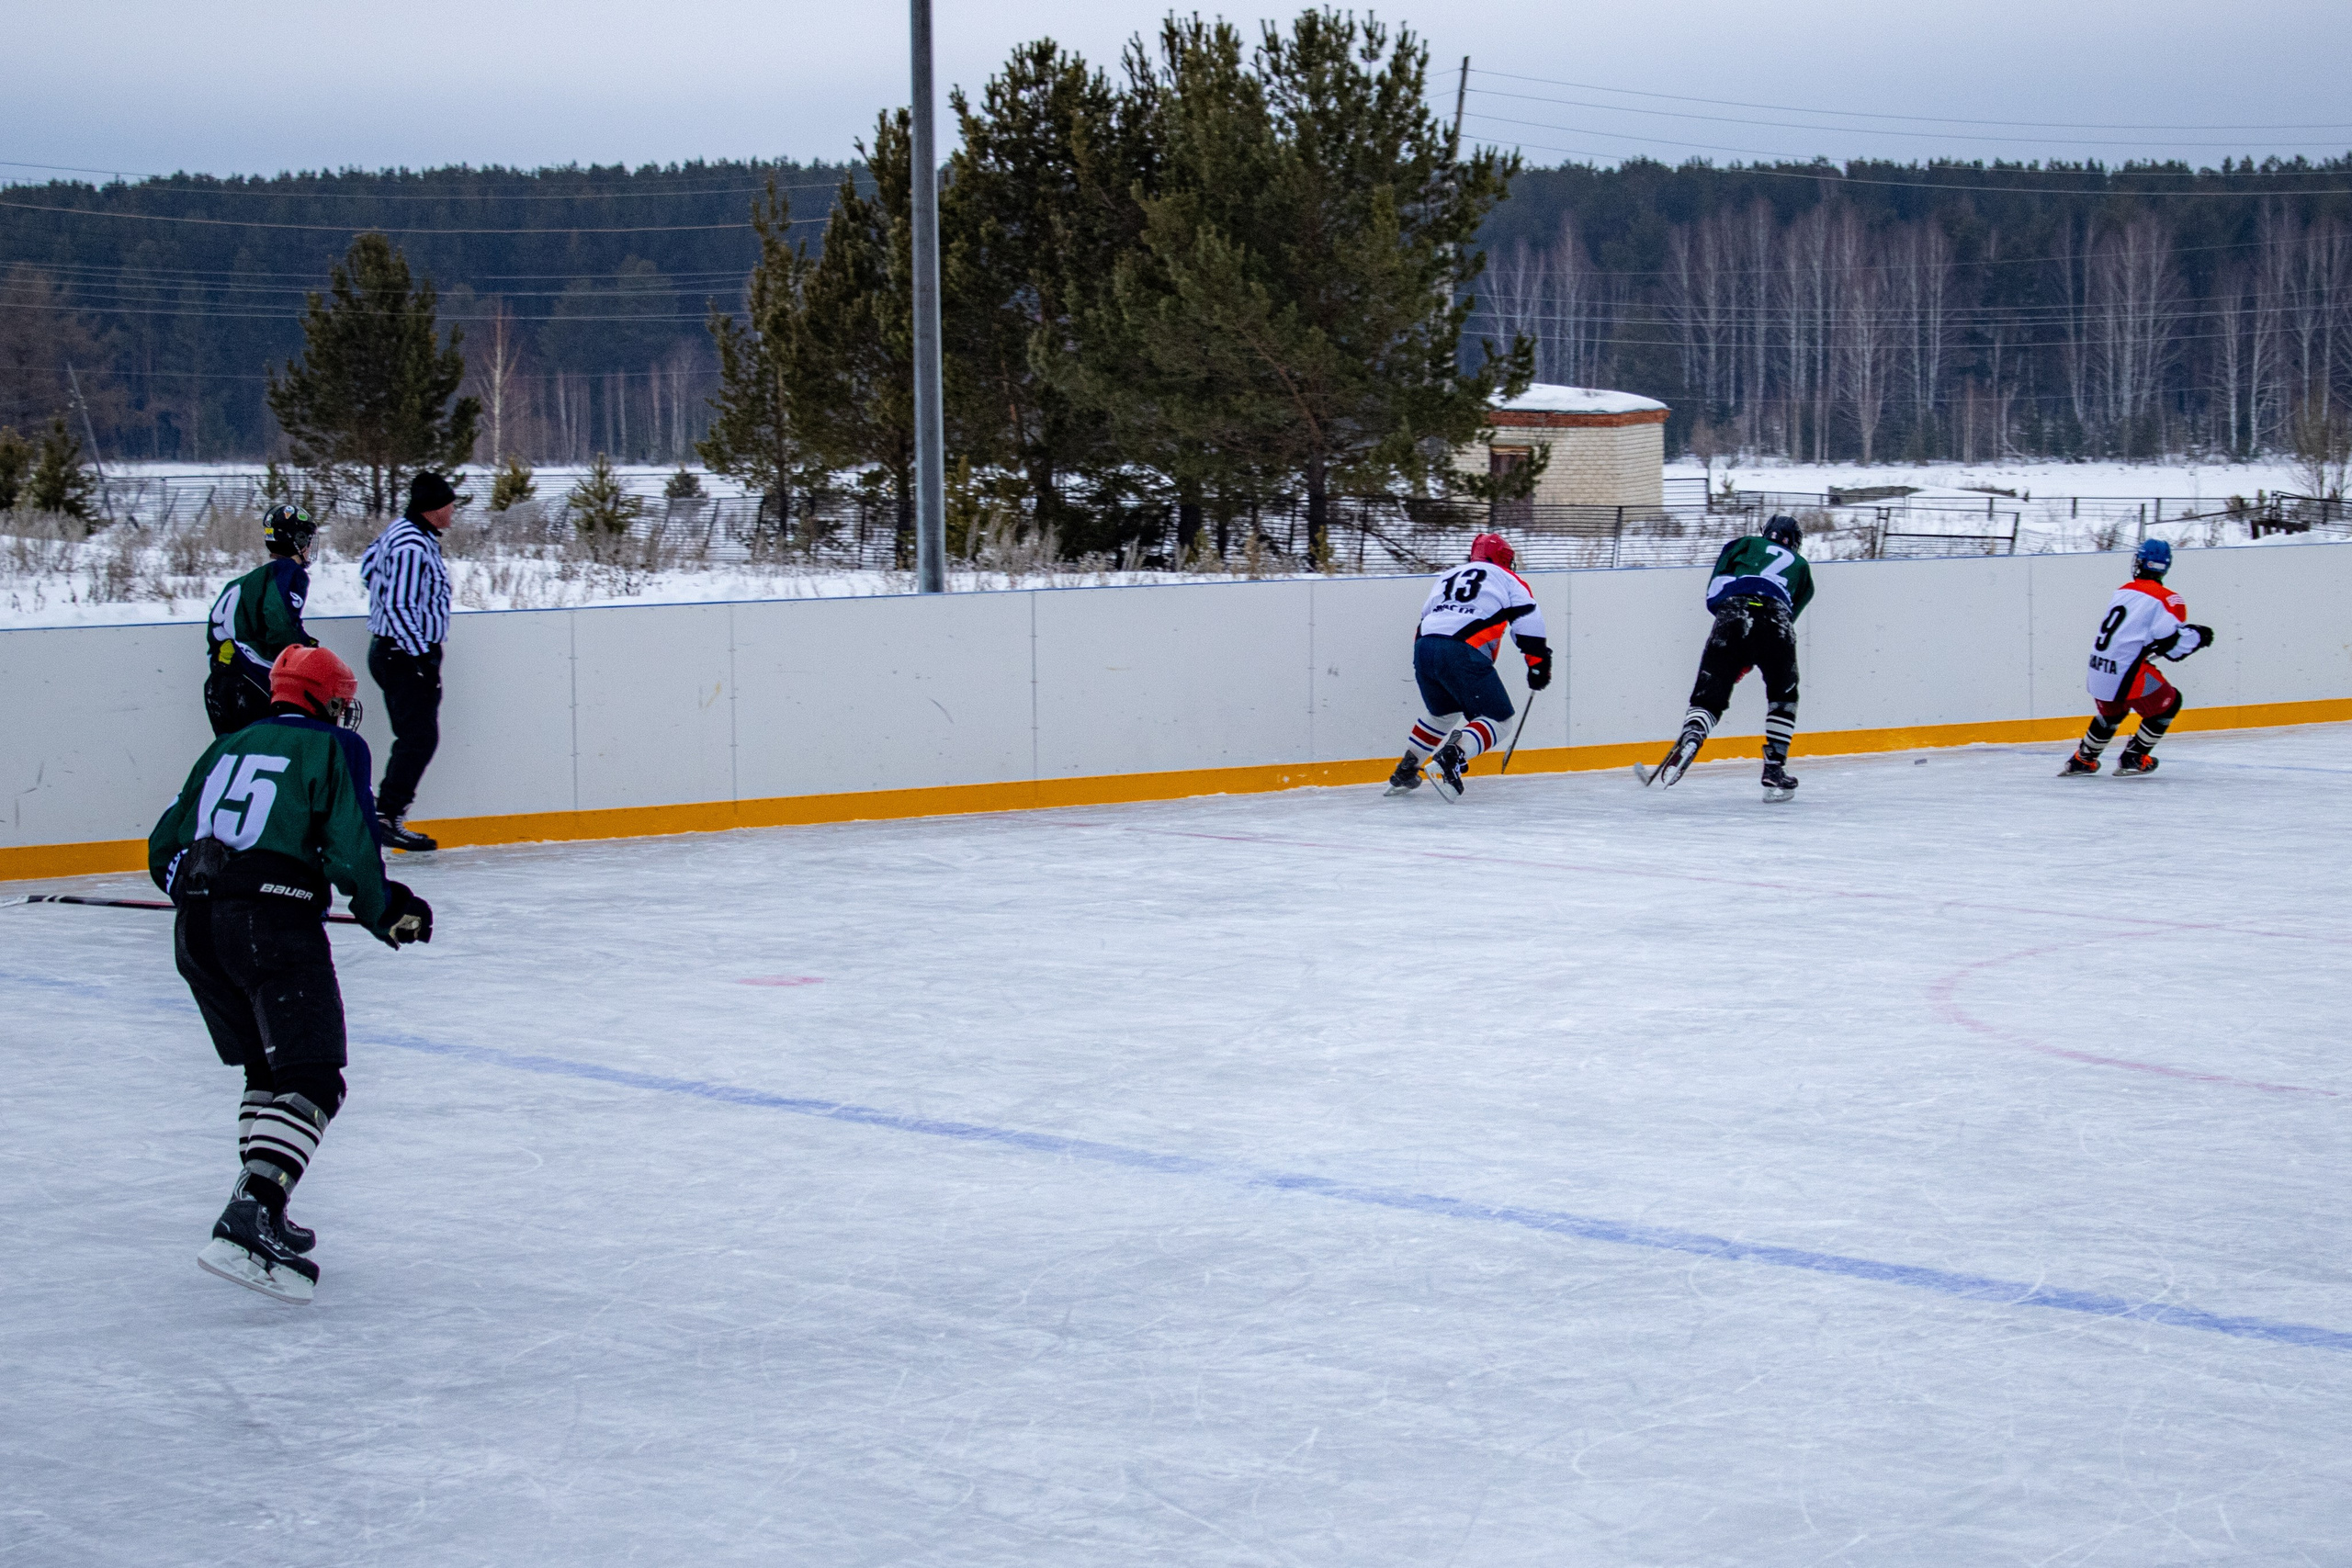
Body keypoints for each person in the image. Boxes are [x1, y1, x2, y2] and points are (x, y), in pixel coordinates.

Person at [150, 645, 433, 1303]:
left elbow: (165, 846)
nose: (342, 710)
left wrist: (197, 887)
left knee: (268, 1073)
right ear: (322, 699)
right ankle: (252, 1210)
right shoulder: (335, 747)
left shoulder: (225, 746)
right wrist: (386, 909)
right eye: (339, 700)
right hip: (271, 929)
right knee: (312, 1076)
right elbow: (353, 847)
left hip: (196, 930)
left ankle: (263, 1205)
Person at [1639, 514, 1815, 802]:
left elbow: (1714, 593)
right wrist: (1755, 650)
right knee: (1784, 696)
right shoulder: (1802, 567)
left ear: (1765, 533)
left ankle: (1694, 733)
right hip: (1777, 620)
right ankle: (1774, 767)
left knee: (1710, 694)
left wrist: (1732, 647)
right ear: (1794, 544)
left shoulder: (1743, 544)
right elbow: (1789, 616)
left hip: (1734, 612)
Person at [1385, 532, 1553, 803]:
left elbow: (1427, 615)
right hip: (1463, 649)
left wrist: (1427, 657)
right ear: (1504, 560)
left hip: (1425, 646)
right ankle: (1454, 755)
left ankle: (1406, 769)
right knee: (1498, 719)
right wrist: (1538, 665)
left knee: (1442, 712)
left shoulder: (1448, 576)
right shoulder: (1510, 580)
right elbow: (1528, 622)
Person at [360, 471, 458, 852]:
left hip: (396, 650)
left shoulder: (401, 532)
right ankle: (387, 815)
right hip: (404, 653)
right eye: (449, 503)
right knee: (418, 737)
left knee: (416, 736)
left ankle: (388, 813)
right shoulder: (411, 547)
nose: (453, 510)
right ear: (433, 509)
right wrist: (421, 658)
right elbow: (400, 606)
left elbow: (369, 568)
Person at [2062, 538, 2213, 777]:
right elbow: (2171, 647)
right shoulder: (2169, 599)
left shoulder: (2123, 591)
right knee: (2169, 704)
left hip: (2099, 668)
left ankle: (2083, 759)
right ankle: (2134, 757)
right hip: (2128, 674)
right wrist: (2198, 636)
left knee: (2112, 712)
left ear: (2140, 562)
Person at [202, 503, 320, 736]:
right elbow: (279, 623)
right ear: (296, 539)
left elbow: (217, 635)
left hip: (217, 685)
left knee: (231, 764)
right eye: (306, 538)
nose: (308, 546)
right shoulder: (289, 572)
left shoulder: (241, 582)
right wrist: (302, 651)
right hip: (252, 685)